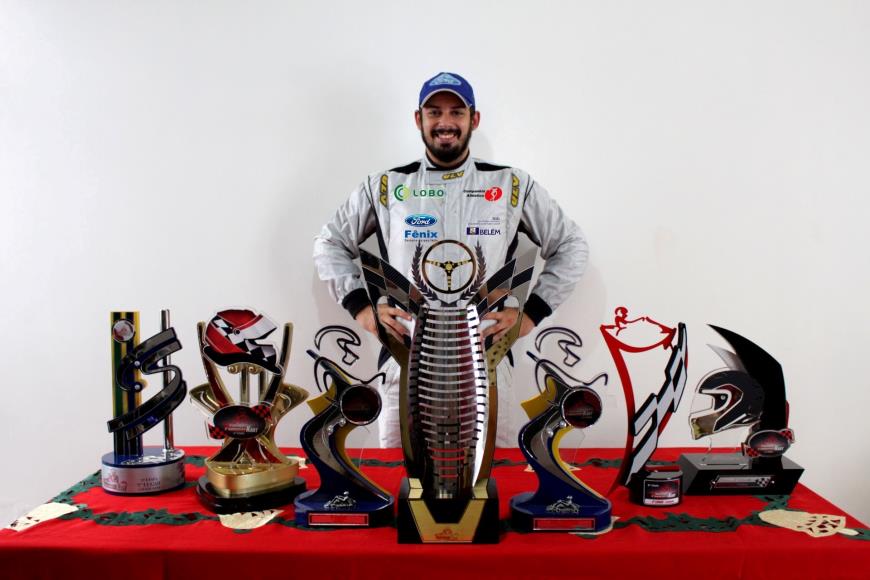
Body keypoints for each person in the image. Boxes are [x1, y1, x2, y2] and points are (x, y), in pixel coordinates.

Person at [313, 72, 588, 448]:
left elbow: (570, 245)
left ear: (474, 119)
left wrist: (531, 314)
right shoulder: (386, 187)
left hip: (486, 362)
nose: (445, 122)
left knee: (489, 478)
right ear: (419, 119)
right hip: (405, 361)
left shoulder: (510, 185)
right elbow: (330, 243)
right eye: (435, 112)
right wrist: (362, 308)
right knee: (402, 477)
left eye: (457, 112)